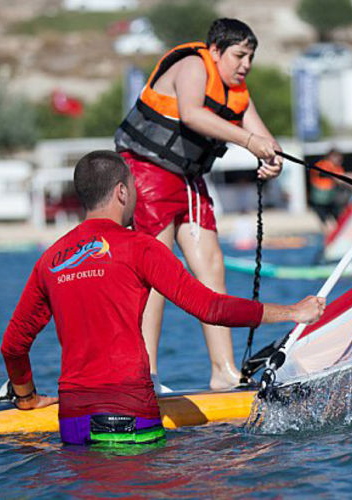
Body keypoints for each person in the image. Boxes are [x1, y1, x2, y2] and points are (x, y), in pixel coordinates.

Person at [0, 151, 324, 448]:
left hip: (72, 422)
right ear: (121, 192)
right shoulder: (139, 247)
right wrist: (292, 311)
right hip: (128, 416)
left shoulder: (51, 259)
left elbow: (13, 345)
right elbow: (210, 308)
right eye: (133, 187)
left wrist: (27, 398)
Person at [114, 18, 284, 390]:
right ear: (216, 51)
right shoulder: (192, 65)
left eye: (251, 57)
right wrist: (249, 143)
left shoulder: (237, 92)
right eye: (239, 56)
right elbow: (192, 114)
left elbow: (264, 138)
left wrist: (274, 160)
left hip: (189, 181)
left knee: (212, 266)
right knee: (156, 274)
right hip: (149, 173)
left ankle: (224, 371)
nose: (246, 65)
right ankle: (146, 376)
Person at [310, 148, 346, 234]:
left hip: (330, 199)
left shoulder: (337, 167)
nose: (340, 161)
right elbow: (339, 179)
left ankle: (332, 235)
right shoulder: (323, 165)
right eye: (337, 158)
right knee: (327, 223)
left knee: (336, 220)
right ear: (330, 157)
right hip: (320, 199)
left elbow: (342, 178)